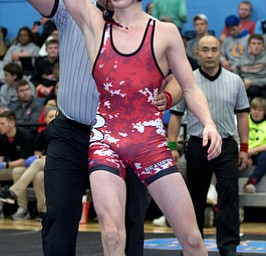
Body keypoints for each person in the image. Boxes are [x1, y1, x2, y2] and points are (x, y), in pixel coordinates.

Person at [62, 1, 223, 255]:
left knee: (192, 239)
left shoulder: (164, 32)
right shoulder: (94, 23)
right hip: (106, 141)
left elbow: (190, 87)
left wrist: (209, 123)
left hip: (150, 144)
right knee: (113, 235)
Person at [27, 1, 182, 256]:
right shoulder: (73, 11)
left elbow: (180, 77)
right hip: (71, 133)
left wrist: (168, 96)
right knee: (59, 214)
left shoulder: (146, 28)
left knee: (131, 218)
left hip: (126, 135)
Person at [168, 35, 250, 256]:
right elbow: (175, 116)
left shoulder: (235, 81)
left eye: (214, 49)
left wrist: (244, 148)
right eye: (205, 50)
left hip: (226, 146)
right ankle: (194, 246)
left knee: (229, 195)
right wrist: (172, 145)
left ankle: (229, 247)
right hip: (198, 145)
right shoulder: (187, 81)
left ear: (220, 51)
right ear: (197, 53)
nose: (210, 54)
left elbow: (243, 116)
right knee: (194, 197)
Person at [0, 106, 57, 221]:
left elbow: (50, 157)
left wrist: (40, 157)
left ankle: (13, 191)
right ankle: (38, 210)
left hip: (57, 165)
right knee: (36, 175)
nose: (52, 119)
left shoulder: (63, 135)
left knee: (37, 163)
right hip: (38, 167)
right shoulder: (41, 135)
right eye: (50, 117)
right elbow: (36, 155)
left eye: (55, 116)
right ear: (45, 119)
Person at [0, 110, 35, 220]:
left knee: (17, 171)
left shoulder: (25, 136)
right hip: (10, 167)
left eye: (2, 124)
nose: (0, 126)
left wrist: (5, 165)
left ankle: (23, 208)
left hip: (28, 169)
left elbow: (23, 161)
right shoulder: (2, 137)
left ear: (12, 123)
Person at [243, 97, 266, 193]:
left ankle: (252, 181)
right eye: (254, 109)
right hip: (243, 151)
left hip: (259, 153)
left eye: (260, 110)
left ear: (264, 112)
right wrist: (244, 152)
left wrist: (252, 151)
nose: (256, 112)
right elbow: (236, 138)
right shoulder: (244, 119)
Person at [236, 34, 266, 100]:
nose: (256, 46)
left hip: (260, 87)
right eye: (254, 43)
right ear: (249, 45)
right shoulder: (242, 59)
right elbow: (235, 76)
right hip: (244, 85)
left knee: (254, 91)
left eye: (259, 44)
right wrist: (242, 82)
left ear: (263, 46)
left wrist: (251, 82)